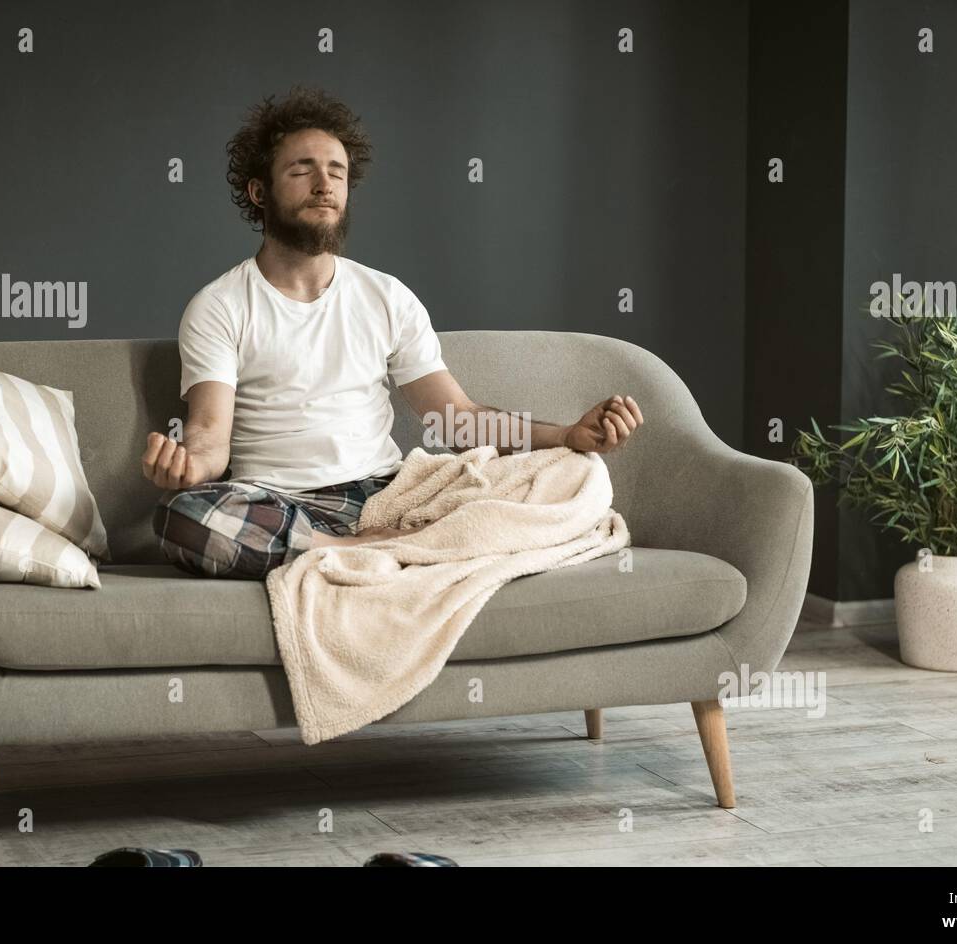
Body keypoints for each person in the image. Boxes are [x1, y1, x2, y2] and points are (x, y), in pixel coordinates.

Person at [144, 85, 643, 580]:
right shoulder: (219, 305)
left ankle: (381, 543)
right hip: (278, 502)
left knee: (575, 473)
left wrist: (567, 436)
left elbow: (458, 422)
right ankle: (358, 549)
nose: (325, 184)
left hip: (390, 497)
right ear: (260, 192)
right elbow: (210, 435)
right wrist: (190, 469)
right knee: (183, 515)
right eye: (302, 170)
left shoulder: (386, 296)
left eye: (336, 172)